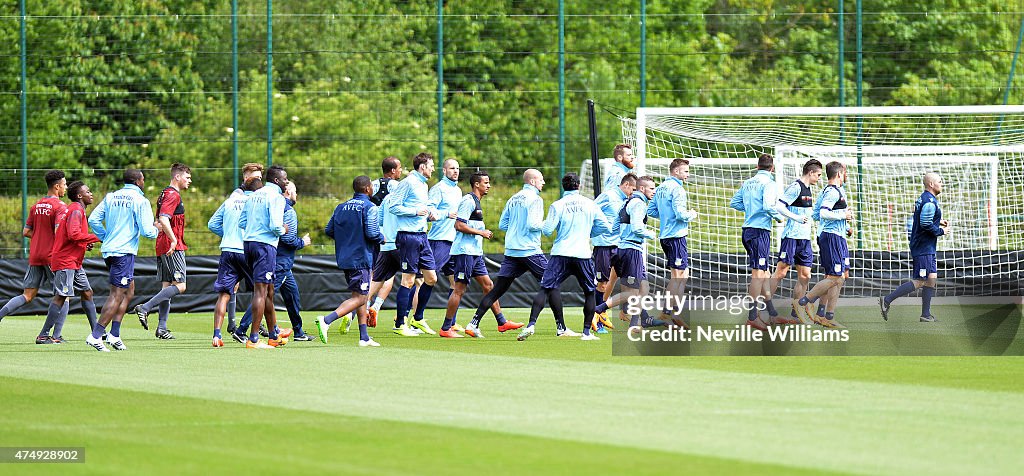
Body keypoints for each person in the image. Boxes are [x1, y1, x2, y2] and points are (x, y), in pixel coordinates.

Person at [518, 173, 611, 341]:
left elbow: (546, 230)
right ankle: (586, 333)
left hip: (560, 253)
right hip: (582, 253)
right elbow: (604, 226)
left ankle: (531, 325)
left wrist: (561, 228)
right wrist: (587, 233)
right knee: (590, 292)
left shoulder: (558, 205)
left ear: (563, 186)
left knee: (545, 288)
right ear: (579, 185)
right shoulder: (590, 204)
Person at [438, 171, 522, 338]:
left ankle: (502, 322)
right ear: (476, 184)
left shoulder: (477, 202)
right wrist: (480, 232)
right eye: (485, 182)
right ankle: (446, 328)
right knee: (459, 289)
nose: (488, 185)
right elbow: (458, 225)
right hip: (464, 253)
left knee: (488, 286)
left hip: (475, 253)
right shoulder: (468, 201)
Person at [464, 169, 547, 332]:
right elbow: (533, 225)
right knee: (551, 283)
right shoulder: (536, 199)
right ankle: (554, 327)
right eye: (541, 180)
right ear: (532, 182)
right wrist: (549, 224)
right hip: (529, 250)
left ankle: (473, 323)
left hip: (512, 251)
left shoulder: (513, 198)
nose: (543, 182)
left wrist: (516, 229)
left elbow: (503, 225)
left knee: (497, 290)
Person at [86, 169, 159, 351]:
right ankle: (96, 335)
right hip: (123, 252)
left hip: (110, 250)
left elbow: (93, 219)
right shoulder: (140, 201)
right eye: (143, 179)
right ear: (138, 181)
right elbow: (147, 231)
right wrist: (159, 229)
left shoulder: (111, 197)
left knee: (129, 291)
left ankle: (114, 334)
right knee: (117, 294)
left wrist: (106, 236)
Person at [237, 182, 313, 341]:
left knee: (292, 295)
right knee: (263, 294)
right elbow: (287, 238)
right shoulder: (286, 209)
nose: (296, 194)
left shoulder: (260, 201)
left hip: (276, 259)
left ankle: (296, 332)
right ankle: (243, 330)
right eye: (295, 190)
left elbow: (244, 222)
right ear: (289, 191)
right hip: (278, 261)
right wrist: (302, 242)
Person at [0, 170, 68, 340]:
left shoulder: (36, 205)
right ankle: (55, 336)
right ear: (57, 186)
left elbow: (26, 232)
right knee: (63, 295)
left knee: (27, 295)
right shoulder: (60, 206)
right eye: (65, 184)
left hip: (35, 254)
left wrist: (39, 238)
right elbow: (58, 232)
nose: (66, 188)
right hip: (53, 256)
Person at [317, 176, 384, 346]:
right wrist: (381, 237)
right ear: (368, 189)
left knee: (358, 295)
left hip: (345, 257)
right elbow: (372, 233)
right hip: (361, 257)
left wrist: (346, 239)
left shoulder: (340, 207)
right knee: (362, 298)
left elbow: (329, 230)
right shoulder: (370, 207)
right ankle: (326, 320)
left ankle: (364, 337)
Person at [880, 172, 949, 323]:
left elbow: (923, 218)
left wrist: (938, 221)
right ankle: (887, 300)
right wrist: (941, 231)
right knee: (920, 281)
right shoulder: (929, 201)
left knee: (931, 279)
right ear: (931, 184)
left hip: (927, 247)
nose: (942, 183)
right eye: (939, 181)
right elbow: (925, 224)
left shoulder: (925, 199)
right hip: (923, 247)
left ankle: (925, 314)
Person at [134, 163, 192, 339]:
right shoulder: (173, 195)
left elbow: (157, 222)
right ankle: (145, 307)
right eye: (187, 177)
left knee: (167, 285)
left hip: (162, 244)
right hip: (172, 246)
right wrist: (174, 239)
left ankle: (162, 328)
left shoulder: (164, 193)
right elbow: (163, 219)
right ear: (177, 177)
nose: (190, 181)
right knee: (180, 286)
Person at [238, 164, 291, 349]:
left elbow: (242, 222)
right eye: (285, 179)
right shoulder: (276, 197)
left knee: (268, 290)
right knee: (261, 291)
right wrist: (283, 229)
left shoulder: (253, 195)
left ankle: (274, 335)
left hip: (249, 244)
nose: (287, 181)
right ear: (276, 180)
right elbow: (276, 226)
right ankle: (253, 339)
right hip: (264, 247)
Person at [388, 153, 441, 336]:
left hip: (422, 236)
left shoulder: (424, 185)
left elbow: (422, 209)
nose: (433, 169)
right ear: (423, 167)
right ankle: (400, 324)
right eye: (431, 165)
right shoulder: (408, 182)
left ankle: (417, 319)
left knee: (431, 278)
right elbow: (393, 206)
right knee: (408, 281)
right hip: (408, 237)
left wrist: (429, 215)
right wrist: (415, 211)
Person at [797, 161, 854, 328]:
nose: (847, 175)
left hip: (838, 236)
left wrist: (846, 227)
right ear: (839, 173)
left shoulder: (834, 191)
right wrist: (843, 216)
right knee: (834, 277)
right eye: (845, 172)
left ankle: (825, 315)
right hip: (831, 238)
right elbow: (822, 213)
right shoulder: (831, 191)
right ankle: (804, 302)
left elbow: (816, 214)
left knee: (841, 277)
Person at [44, 181, 101, 345]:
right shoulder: (76, 209)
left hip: (74, 261)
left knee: (87, 292)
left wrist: (85, 243)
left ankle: (97, 333)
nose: (91, 194)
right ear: (79, 196)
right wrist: (98, 237)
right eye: (87, 192)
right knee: (61, 295)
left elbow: (74, 237)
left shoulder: (78, 210)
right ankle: (43, 335)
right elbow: (74, 234)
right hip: (65, 260)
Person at [730, 154, 782, 331]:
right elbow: (768, 206)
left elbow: (734, 202)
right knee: (758, 274)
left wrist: (751, 208)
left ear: (757, 166)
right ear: (772, 168)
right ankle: (752, 317)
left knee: (764, 272)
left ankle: (771, 312)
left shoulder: (748, 182)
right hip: (760, 231)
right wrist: (778, 217)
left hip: (747, 230)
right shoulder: (769, 183)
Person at [767, 159, 823, 325]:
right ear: (811, 172)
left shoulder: (808, 190)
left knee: (805, 276)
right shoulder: (796, 187)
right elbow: (779, 206)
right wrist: (796, 217)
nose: (819, 178)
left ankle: (795, 314)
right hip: (791, 237)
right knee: (781, 273)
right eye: (818, 175)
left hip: (804, 240)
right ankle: (764, 311)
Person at [210, 177, 261, 347]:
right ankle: (249, 332)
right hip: (246, 251)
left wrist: (227, 235)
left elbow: (212, 224)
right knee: (262, 292)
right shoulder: (254, 202)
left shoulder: (230, 201)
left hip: (227, 250)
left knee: (224, 295)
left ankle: (217, 336)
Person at [648, 159, 699, 327]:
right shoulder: (677, 189)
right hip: (676, 236)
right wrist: (692, 214)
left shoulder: (661, 187)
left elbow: (651, 210)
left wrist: (665, 217)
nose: (688, 174)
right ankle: (669, 313)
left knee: (682, 275)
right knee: (678, 277)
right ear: (676, 171)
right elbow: (680, 214)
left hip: (666, 236)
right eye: (685, 171)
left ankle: (672, 312)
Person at [608, 175, 659, 338]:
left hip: (624, 249)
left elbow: (614, 226)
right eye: (651, 188)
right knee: (634, 292)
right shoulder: (638, 204)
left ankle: (643, 320)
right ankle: (598, 310)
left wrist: (620, 240)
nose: (654, 191)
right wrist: (651, 234)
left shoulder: (626, 202)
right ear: (642, 189)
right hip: (632, 251)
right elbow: (637, 228)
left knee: (643, 288)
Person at [591, 173, 637, 333]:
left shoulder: (630, 200)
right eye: (633, 189)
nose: (634, 192)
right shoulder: (608, 196)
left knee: (630, 281)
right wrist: (598, 230)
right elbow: (591, 210)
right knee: (602, 283)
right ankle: (598, 317)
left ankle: (623, 313)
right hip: (604, 245)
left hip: (621, 246)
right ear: (625, 185)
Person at [225, 162, 265, 334]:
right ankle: (243, 325)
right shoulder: (239, 195)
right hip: (245, 247)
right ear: (247, 178)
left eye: (261, 178)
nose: (260, 181)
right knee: (260, 287)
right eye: (257, 177)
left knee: (242, 287)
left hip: (241, 246)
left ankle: (238, 323)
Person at [426, 158, 463, 329]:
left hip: (455, 242)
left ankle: (451, 323)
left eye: (457, 168)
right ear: (444, 170)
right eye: (452, 168)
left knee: (457, 284)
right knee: (426, 280)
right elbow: (429, 212)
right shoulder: (438, 189)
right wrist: (446, 213)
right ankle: (411, 319)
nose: (455, 171)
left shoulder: (458, 191)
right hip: (439, 240)